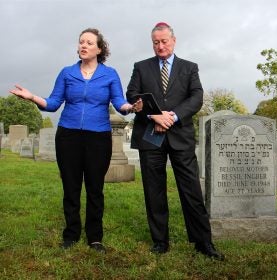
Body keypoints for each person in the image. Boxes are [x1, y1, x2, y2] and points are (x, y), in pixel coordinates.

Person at [10, 28, 142, 253]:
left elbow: (120, 102)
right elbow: (53, 103)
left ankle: (95, 238)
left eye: (90, 43)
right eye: (81, 42)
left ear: (99, 49)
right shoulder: (67, 73)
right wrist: (32, 97)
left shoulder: (109, 74)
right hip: (68, 136)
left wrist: (131, 107)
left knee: (95, 188)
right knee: (71, 188)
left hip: (98, 137)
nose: (84, 45)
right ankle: (71, 234)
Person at [126, 22, 224, 260]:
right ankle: (160, 241)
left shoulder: (189, 68)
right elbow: (132, 95)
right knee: (154, 191)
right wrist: (152, 115)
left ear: (174, 40)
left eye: (164, 41)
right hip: (151, 137)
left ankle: (203, 242)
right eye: (156, 42)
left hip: (180, 136)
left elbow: (197, 97)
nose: (160, 46)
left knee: (191, 190)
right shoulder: (141, 67)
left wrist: (173, 116)